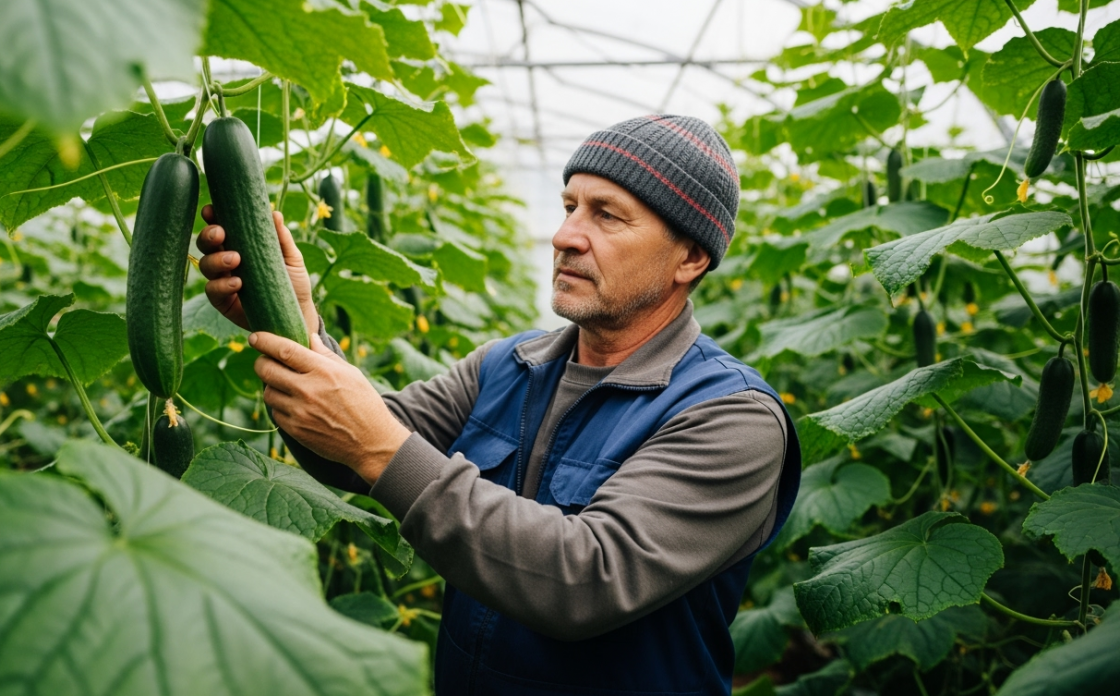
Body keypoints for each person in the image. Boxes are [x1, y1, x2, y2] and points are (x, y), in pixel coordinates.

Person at [197, 114, 801, 696]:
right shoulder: (508, 364)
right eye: (569, 208)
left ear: (690, 258)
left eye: (608, 216)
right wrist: (296, 325)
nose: (566, 236)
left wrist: (376, 444)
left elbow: (587, 579)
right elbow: (345, 453)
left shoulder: (732, 418)